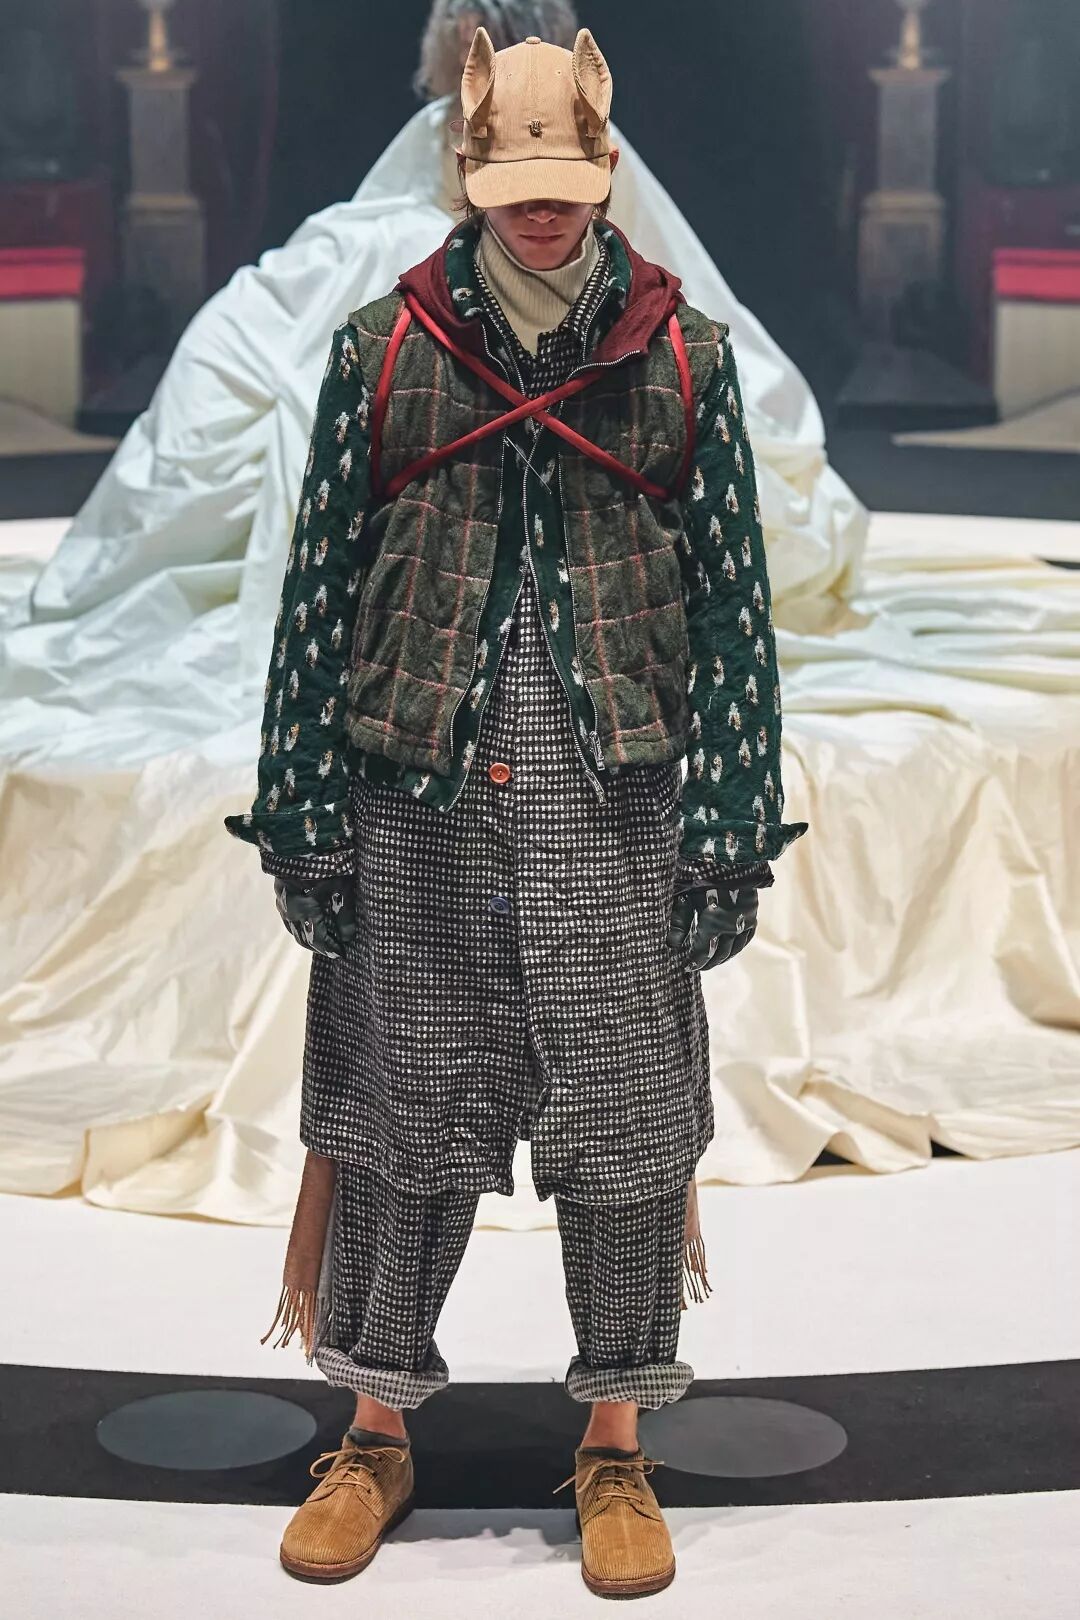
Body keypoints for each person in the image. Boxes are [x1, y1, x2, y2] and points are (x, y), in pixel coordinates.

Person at [224, 25, 807, 1597]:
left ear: (602, 173)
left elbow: (734, 602)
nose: (541, 212)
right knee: (397, 1116)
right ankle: (372, 1432)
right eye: (513, 184)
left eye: (563, 183)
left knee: (625, 1127)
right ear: (470, 174)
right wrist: (303, 809)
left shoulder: (681, 356)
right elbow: (321, 588)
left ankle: (616, 1443)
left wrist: (730, 820)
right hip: (416, 784)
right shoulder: (384, 350)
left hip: (617, 788)